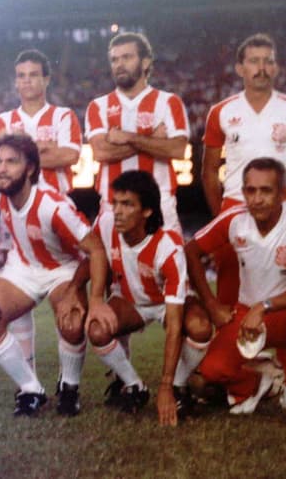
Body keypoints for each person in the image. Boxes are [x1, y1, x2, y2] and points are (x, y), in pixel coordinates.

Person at [0, 135, 108, 417]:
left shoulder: (53, 206)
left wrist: (91, 299)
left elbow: (96, 250)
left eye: (11, 162)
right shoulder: (1, 190)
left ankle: (69, 388)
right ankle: (31, 389)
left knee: (71, 322)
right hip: (24, 268)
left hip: (63, 269)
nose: (2, 169)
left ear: (30, 168)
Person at [186, 157, 286, 427]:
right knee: (204, 377)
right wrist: (211, 305)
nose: (257, 199)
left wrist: (265, 306)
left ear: (282, 192)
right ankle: (260, 381)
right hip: (247, 314)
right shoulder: (235, 219)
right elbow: (191, 251)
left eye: (266, 190)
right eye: (250, 190)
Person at [201, 33, 286, 306]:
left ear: (277, 67)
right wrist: (218, 217)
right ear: (240, 68)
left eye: (268, 61)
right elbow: (208, 172)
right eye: (254, 61)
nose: (262, 68)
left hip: (281, 207)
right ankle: (235, 347)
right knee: (230, 296)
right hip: (234, 206)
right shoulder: (221, 111)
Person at [90, 170, 212, 425]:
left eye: (128, 204)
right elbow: (91, 256)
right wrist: (87, 296)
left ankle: (178, 387)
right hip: (130, 301)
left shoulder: (169, 247)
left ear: (146, 211)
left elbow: (175, 326)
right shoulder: (105, 224)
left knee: (200, 327)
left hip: (168, 304)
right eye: (115, 203)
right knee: (97, 328)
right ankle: (135, 386)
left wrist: (165, 384)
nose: (118, 211)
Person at [86, 32, 190, 233]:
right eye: (114, 59)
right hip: (112, 205)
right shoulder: (98, 106)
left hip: (160, 204)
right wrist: (152, 139)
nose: (119, 64)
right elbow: (101, 152)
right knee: (112, 264)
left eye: (127, 57)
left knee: (164, 264)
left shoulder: (168, 102)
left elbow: (177, 149)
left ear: (145, 62)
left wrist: (127, 137)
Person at [0, 49, 82, 195]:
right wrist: (44, 148)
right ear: (16, 82)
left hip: (58, 202)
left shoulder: (64, 116)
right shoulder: (2, 120)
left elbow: (70, 156)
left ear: (46, 80)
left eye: (33, 74)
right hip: (14, 206)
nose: (26, 80)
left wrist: (17, 156)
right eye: (21, 76)